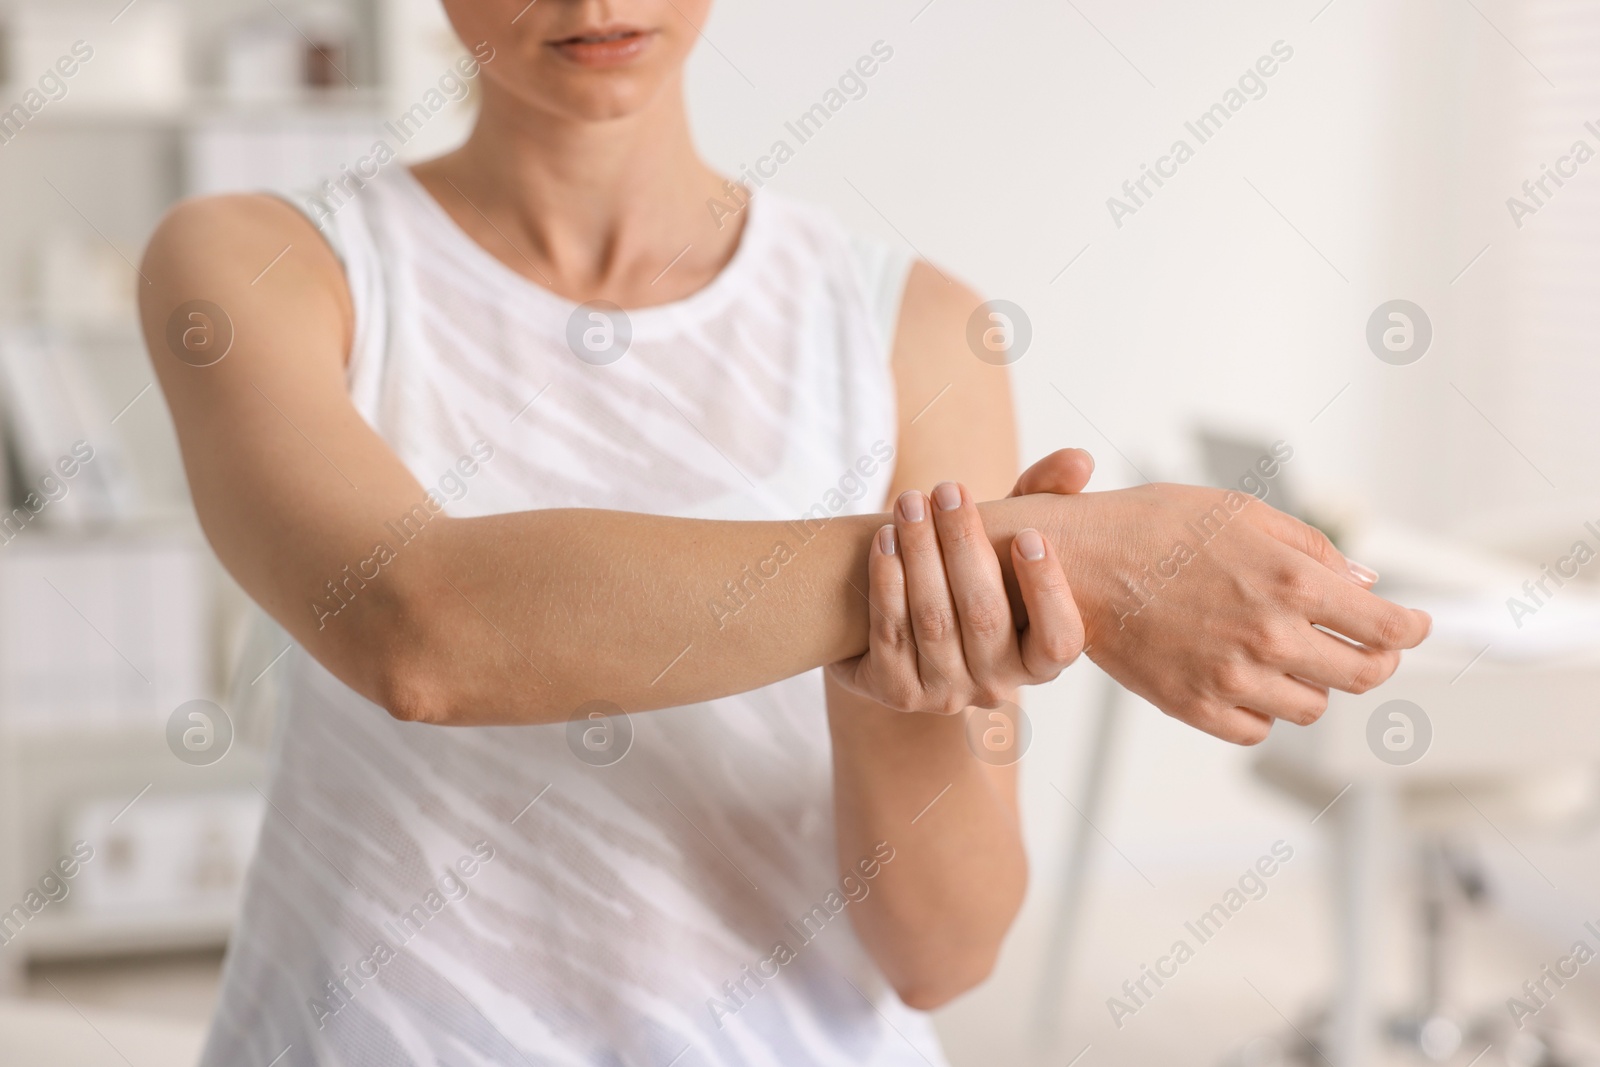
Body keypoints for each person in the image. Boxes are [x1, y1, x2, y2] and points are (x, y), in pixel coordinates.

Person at [137, 2, 1431, 1064]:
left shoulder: (913, 327)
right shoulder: (258, 262)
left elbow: (942, 954)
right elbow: (418, 627)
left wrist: (897, 676)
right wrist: (1075, 554)